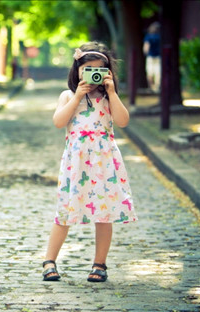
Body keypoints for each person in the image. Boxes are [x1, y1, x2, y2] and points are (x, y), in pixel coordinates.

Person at [43, 42, 138, 283]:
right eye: (87, 69)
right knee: (65, 211)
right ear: (77, 70)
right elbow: (58, 121)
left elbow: (123, 121)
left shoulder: (108, 98)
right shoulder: (68, 95)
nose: (93, 74)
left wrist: (113, 93)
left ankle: (99, 263)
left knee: (103, 213)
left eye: (99, 70)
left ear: (107, 72)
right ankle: (49, 260)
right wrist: (77, 96)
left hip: (104, 162)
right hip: (76, 163)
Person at [143, 22, 161, 93]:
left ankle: (151, 87)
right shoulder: (159, 36)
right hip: (158, 56)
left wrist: (145, 53)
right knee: (158, 72)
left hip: (150, 56)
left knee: (149, 72)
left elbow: (146, 47)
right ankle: (156, 87)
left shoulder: (148, 36)